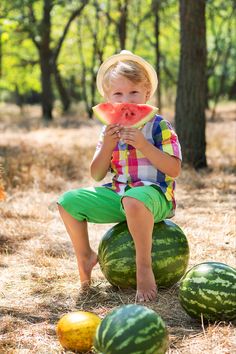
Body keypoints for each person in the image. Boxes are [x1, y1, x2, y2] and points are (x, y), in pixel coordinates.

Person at [58, 50, 182, 302]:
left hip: (154, 197)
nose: (127, 101)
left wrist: (144, 146)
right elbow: (96, 174)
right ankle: (85, 256)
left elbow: (174, 169)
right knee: (68, 202)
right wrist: (107, 145)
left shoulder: (160, 126)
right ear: (107, 98)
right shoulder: (109, 129)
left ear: (147, 93)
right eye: (118, 94)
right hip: (119, 194)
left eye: (134, 93)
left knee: (134, 199)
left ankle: (143, 268)